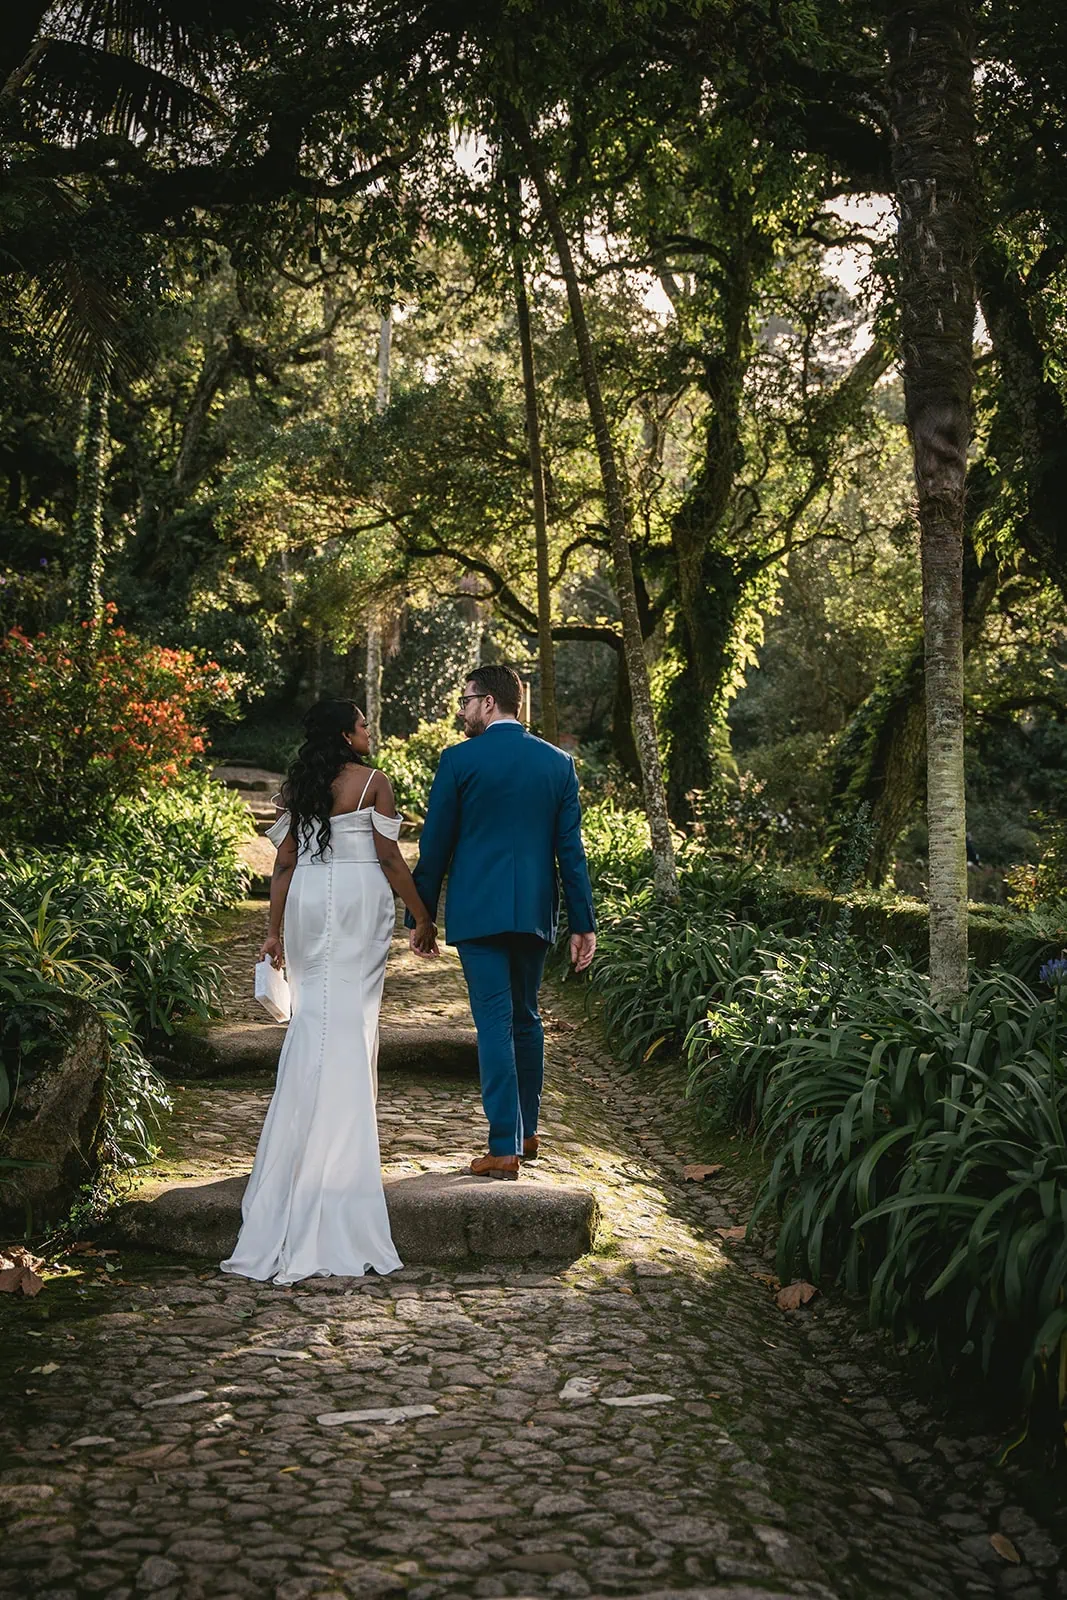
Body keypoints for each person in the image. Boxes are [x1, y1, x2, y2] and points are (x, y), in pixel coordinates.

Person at [221, 700, 436, 1285]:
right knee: (348, 1024)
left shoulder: (299, 788)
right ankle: (338, 1164)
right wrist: (422, 917)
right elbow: (390, 858)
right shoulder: (374, 784)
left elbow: (283, 865)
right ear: (346, 734)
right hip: (361, 900)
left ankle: (298, 1155)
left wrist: (273, 934)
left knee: (313, 1022)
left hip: (310, 903)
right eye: (364, 724)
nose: (370, 731)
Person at [407, 664, 596, 1180]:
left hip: (478, 911)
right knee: (526, 1018)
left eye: (466, 700)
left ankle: (502, 1146)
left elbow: (435, 847)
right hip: (535, 911)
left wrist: (420, 916)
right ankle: (527, 1131)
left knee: (494, 1023)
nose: (462, 711)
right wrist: (584, 923)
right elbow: (570, 852)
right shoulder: (558, 764)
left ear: (489, 703)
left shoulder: (458, 761)